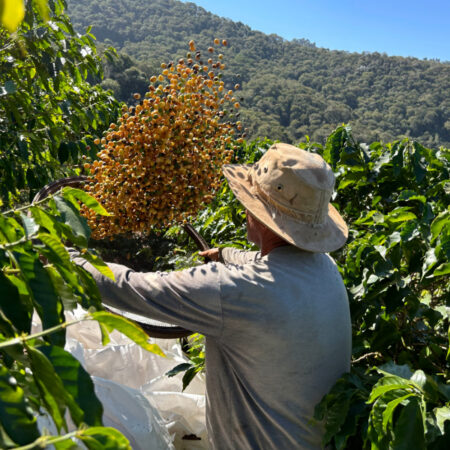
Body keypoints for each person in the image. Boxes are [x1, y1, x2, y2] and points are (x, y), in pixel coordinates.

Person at [72, 142, 351, 449]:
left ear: (258, 215)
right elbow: (265, 266)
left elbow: (130, 287)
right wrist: (225, 254)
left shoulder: (233, 291)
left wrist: (68, 258)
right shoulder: (325, 268)